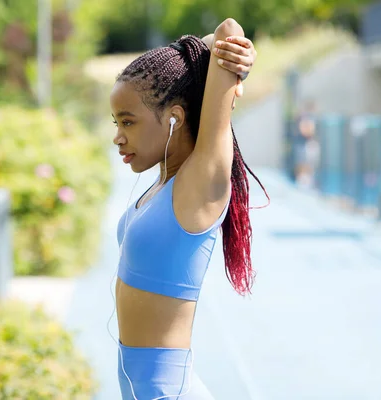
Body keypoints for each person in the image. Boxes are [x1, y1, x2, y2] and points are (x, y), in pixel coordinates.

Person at [110, 18, 269, 399]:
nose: (117, 137)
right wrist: (201, 59)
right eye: (116, 122)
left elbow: (229, 29)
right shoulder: (164, 183)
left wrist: (233, 54)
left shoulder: (199, 184)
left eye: (128, 122)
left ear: (174, 118)